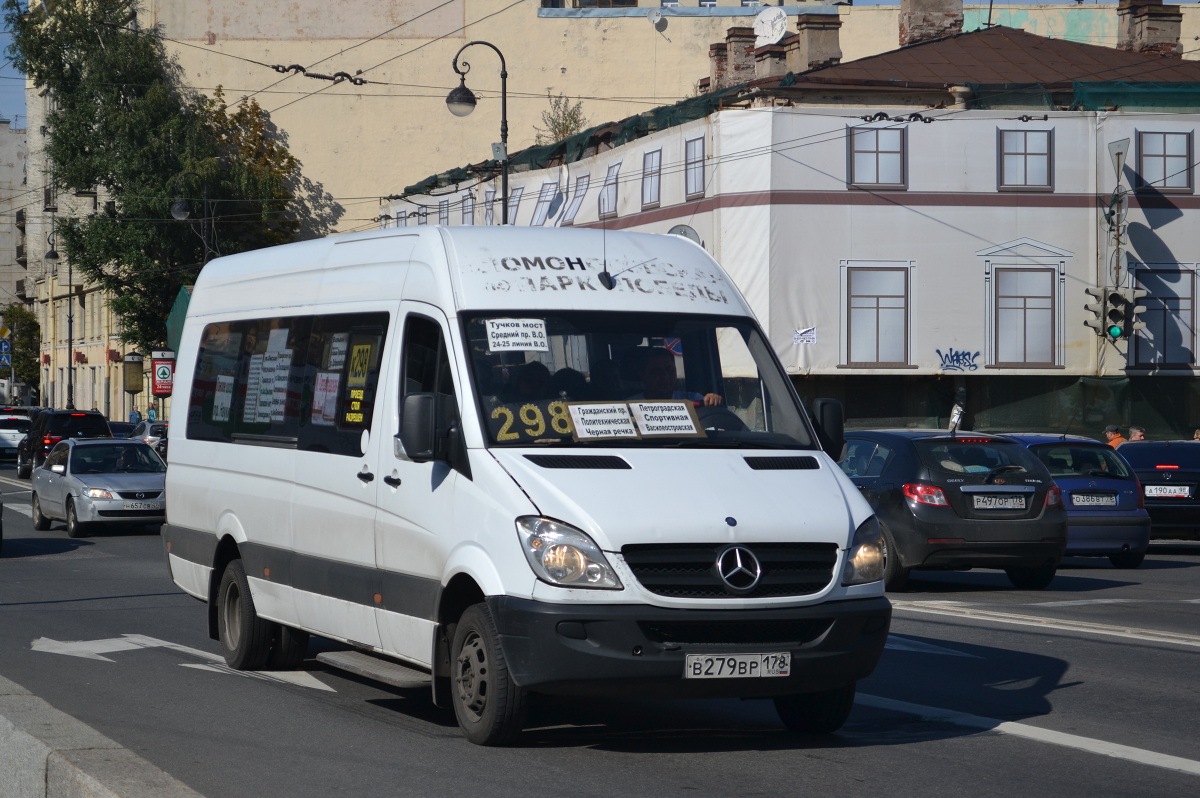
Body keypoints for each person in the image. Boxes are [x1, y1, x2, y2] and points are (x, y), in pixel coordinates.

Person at [632, 348, 722, 406]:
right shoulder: (629, 407)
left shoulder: (692, 400)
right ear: (643, 375)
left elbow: (711, 418)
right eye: (657, 371)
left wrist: (712, 400)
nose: (665, 376)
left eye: (669, 369)